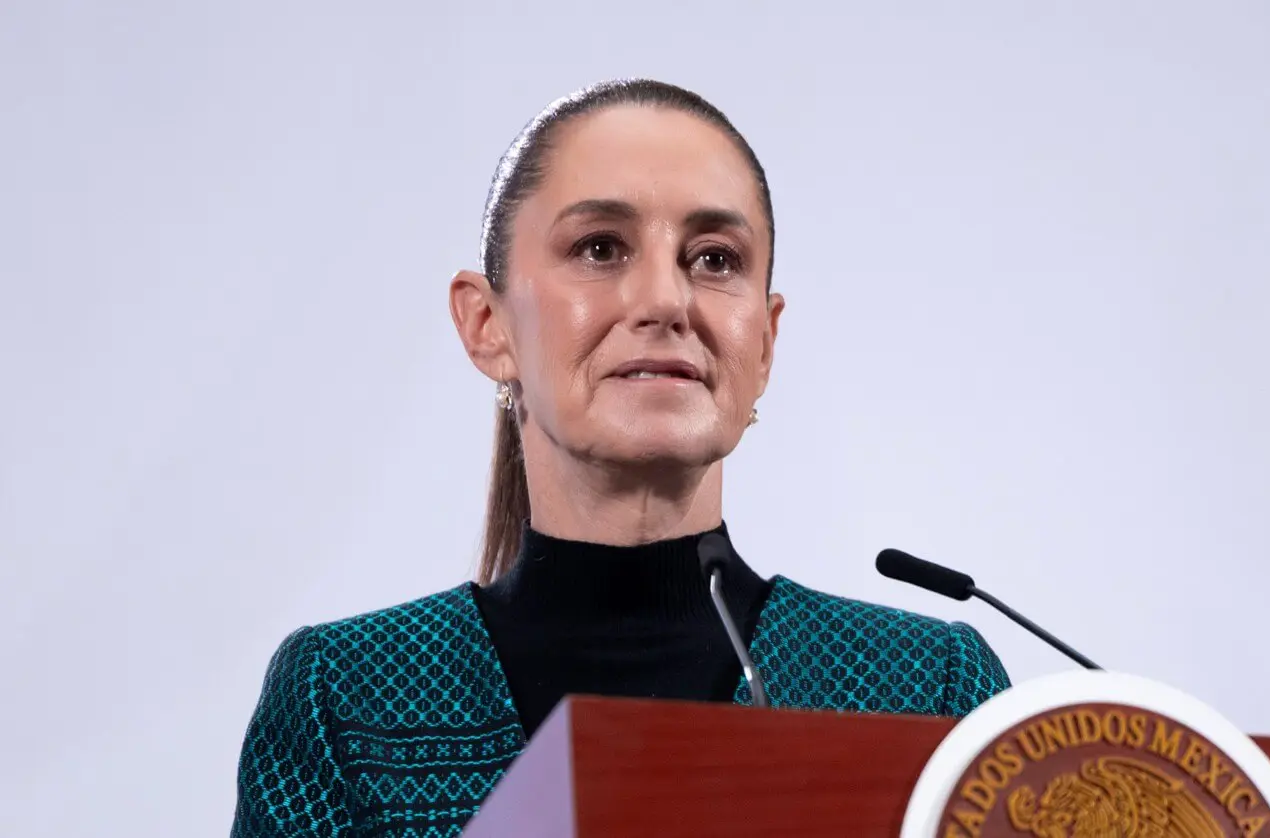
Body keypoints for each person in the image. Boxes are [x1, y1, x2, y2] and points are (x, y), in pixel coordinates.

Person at [228, 79, 1012, 838]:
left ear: (765, 343)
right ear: (486, 324)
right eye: (600, 247)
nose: (666, 302)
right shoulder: (347, 697)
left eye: (714, 259)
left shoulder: (926, 688)